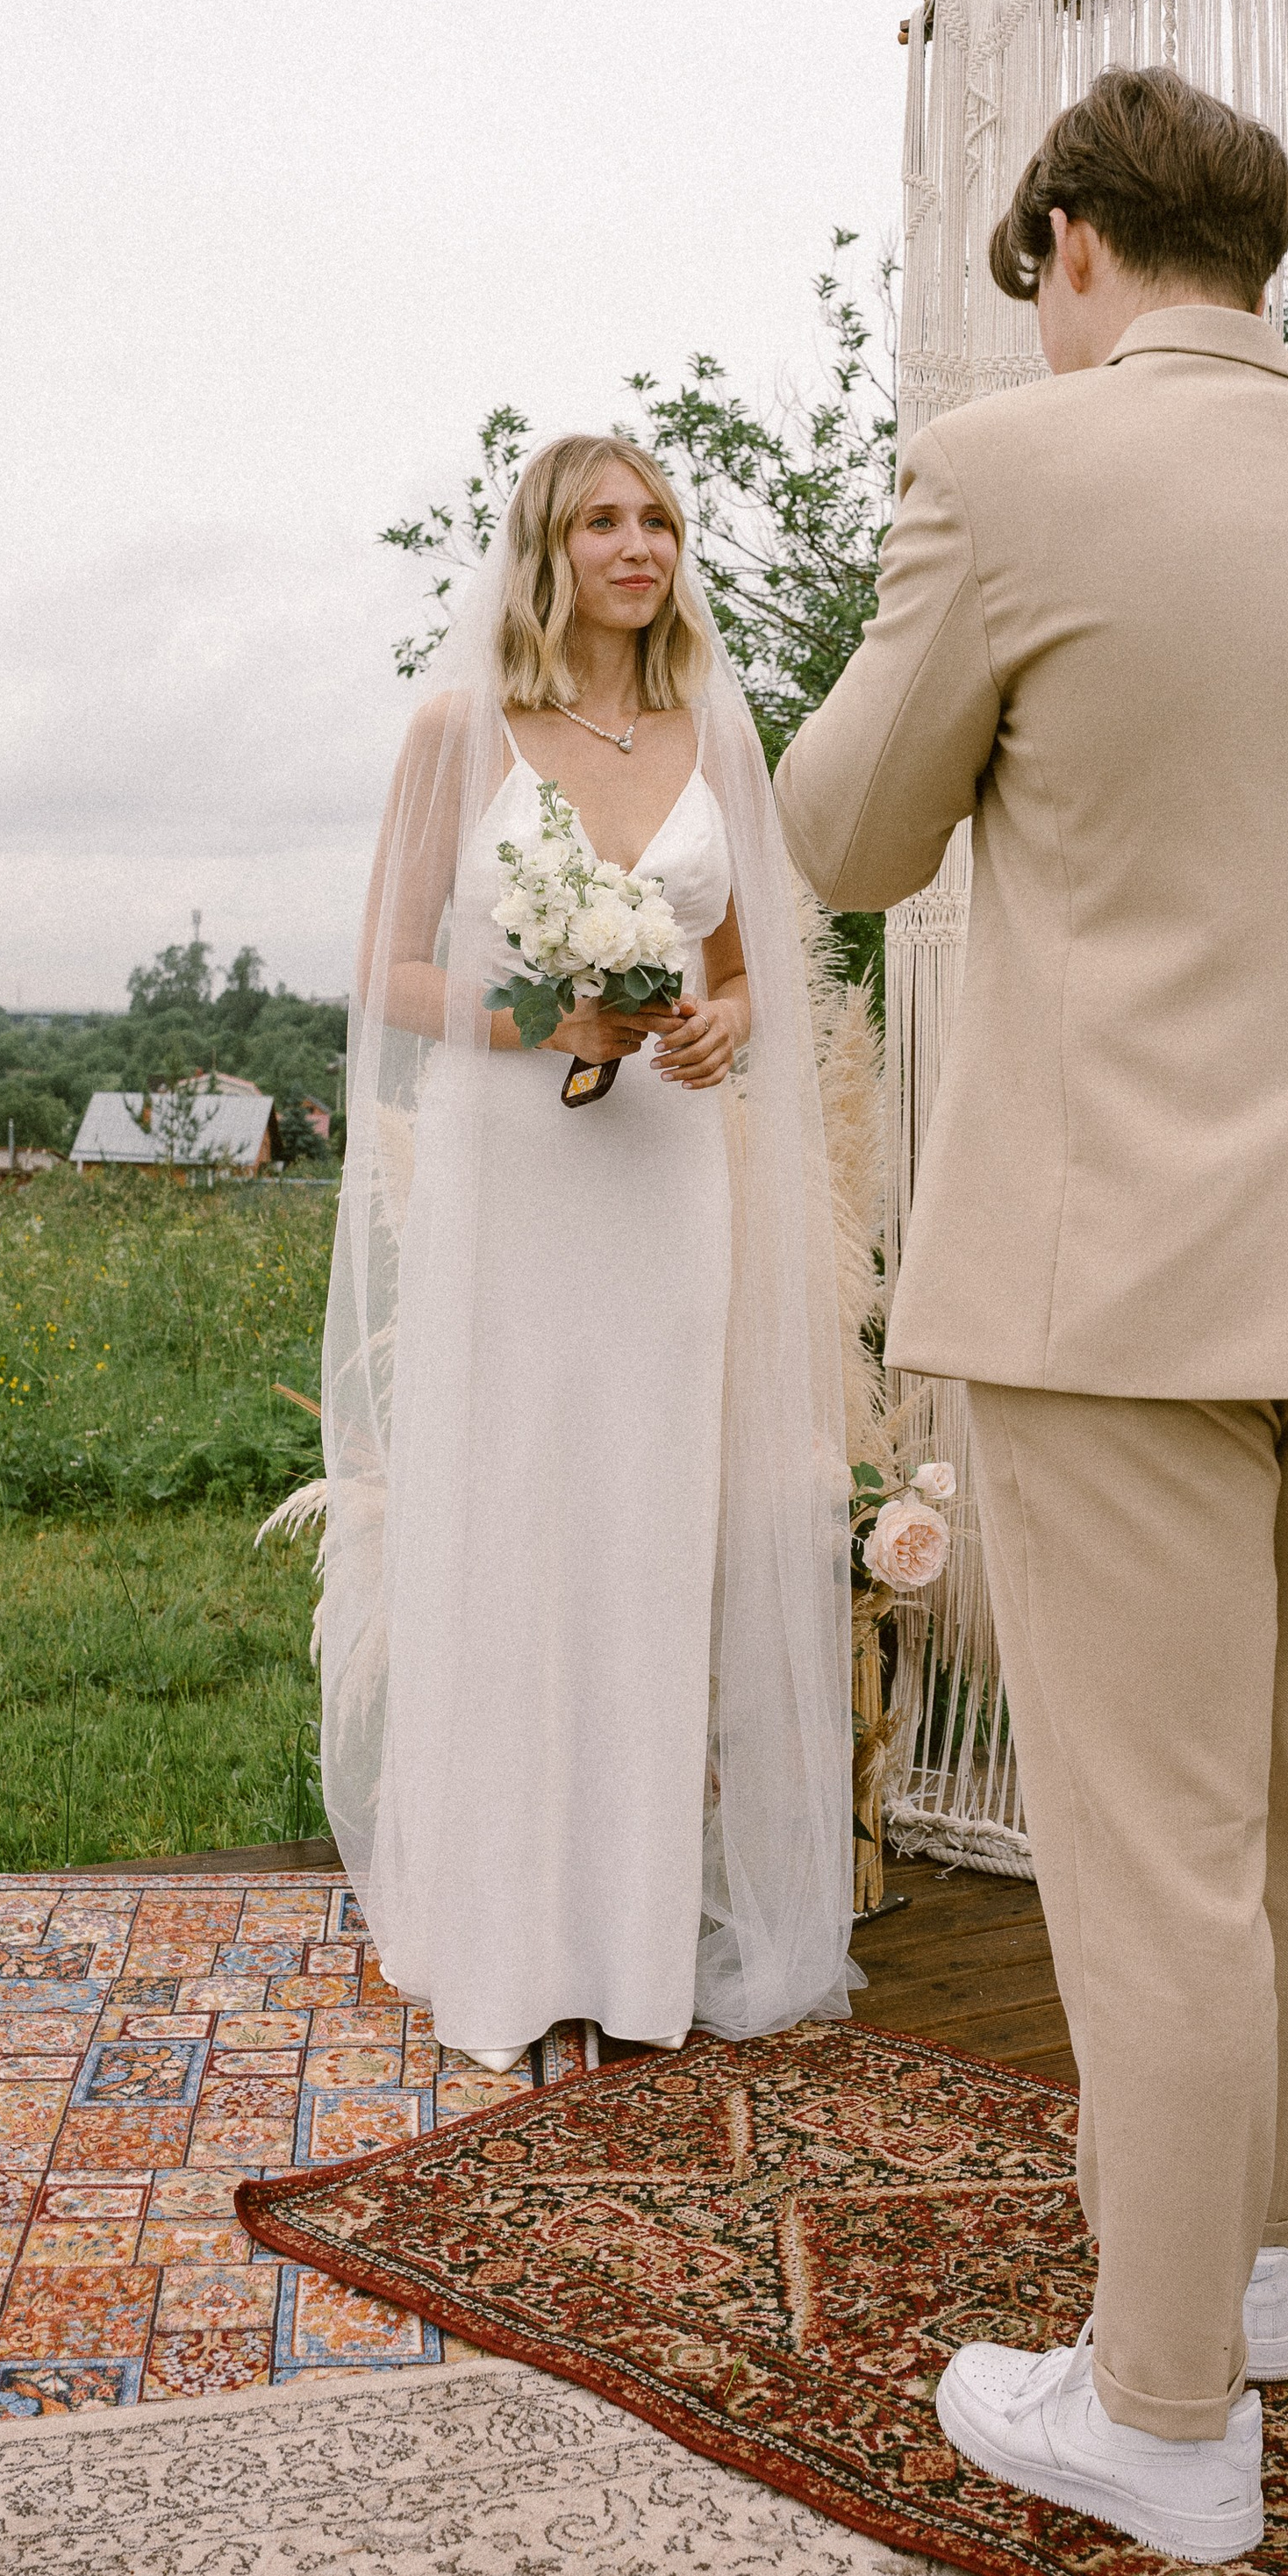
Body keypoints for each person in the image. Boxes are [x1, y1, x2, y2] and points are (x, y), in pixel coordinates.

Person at [775, 68, 1288, 2562]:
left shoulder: (1023, 474)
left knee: (1149, 1854)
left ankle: (1163, 2413)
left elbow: (848, 833)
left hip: (1118, 1264)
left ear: (1078, 249)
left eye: (1037, 299)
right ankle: (1269, 2269)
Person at [320, 433, 854, 2074]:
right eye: (607, 521)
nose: (643, 545)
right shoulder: (455, 731)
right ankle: (497, 1935)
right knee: (513, 1521)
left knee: (640, 1533)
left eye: (662, 520)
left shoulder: (719, 738)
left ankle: (629, 1945)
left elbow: (753, 975)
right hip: (515, 1176)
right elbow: (388, 975)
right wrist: (521, 1017)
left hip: (662, 1179)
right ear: (546, 550)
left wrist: (716, 1032)